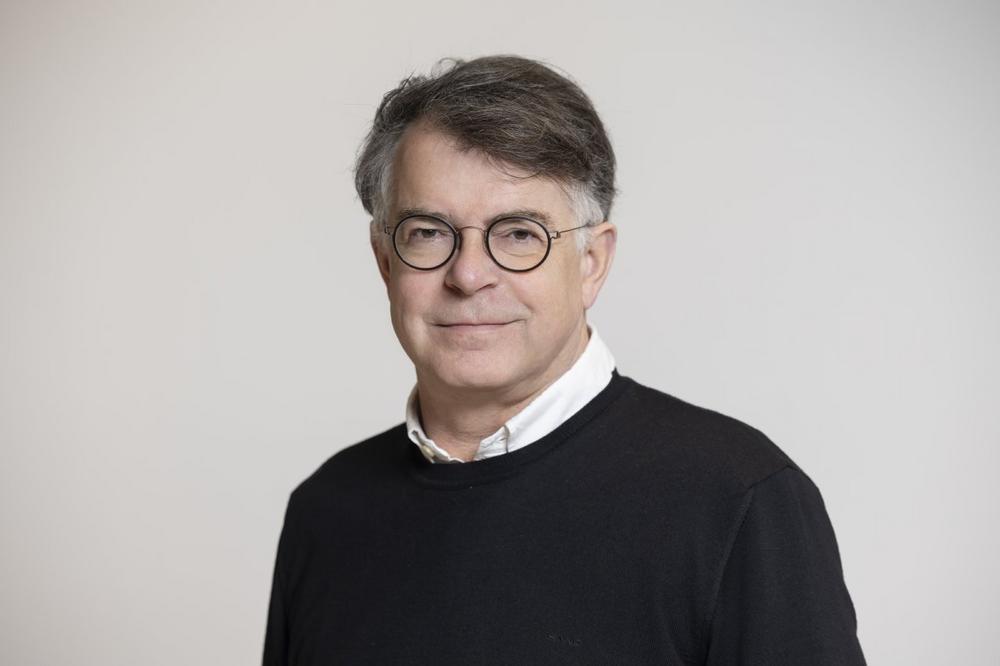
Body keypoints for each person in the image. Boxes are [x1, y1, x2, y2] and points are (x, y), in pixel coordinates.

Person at [262, 55, 866, 665]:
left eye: (519, 233)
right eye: (428, 232)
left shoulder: (738, 500)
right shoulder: (327, 509)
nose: (468, 276)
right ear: (384, 260)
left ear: (591, 263)